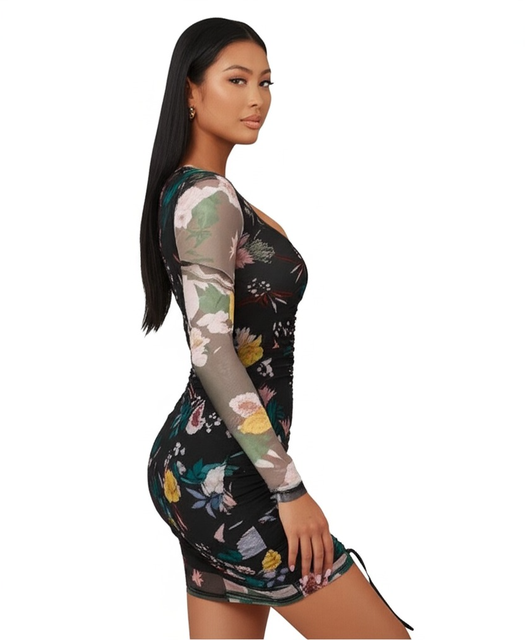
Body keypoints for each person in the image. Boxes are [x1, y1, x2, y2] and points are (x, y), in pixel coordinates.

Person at [140, 17, 413, 639]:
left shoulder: (197, 193)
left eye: (265, 82)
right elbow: (211, 350)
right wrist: (289, 491)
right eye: (236, 80)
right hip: (228, 477)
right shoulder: (206, 197)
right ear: (190, 91)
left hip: (202, 468)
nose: (257, 98)